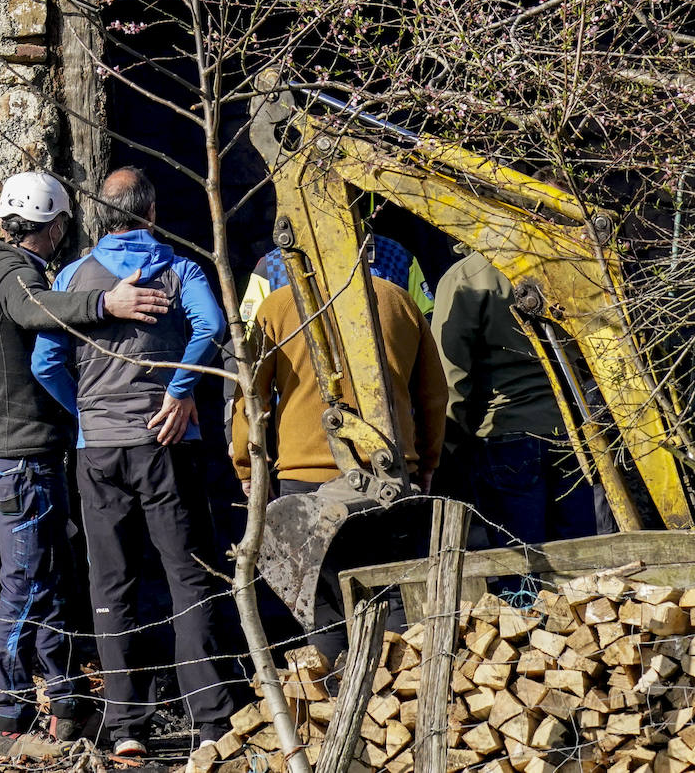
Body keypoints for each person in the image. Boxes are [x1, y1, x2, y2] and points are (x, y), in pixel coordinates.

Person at [0, 171, 171, 760]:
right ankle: (8, 719)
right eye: (63, 227)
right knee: (24, 586)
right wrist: (108, 301)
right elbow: (35, 311)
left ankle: (65, 703)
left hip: (17, 456)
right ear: (53, 226)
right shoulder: (13, 277)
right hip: (18, 460)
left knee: (47, 584)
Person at [32, 167, 240, 757]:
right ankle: (211, 722)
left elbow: (47, 363)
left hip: (98, 451)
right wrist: (179, 391)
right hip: (166, 444)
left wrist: (87, 415)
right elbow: (213, 325)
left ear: (99, 217)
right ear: (152, 214)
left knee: (112, 581)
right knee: (188, 575)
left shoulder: (74, 275)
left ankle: (125, 728)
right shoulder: (179, 270)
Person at [230, 279, 446, 663]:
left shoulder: (277, 307)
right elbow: (432, 393)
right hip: (391, 475)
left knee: (321, 602)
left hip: (306, 478)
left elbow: (251, 400)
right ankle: (398, 698)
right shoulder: (397, 300)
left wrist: (247, 468)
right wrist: (427, 460)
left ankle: (335, 697)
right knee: (393, 594)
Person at [431, 251, 601, 557]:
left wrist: (450, 447)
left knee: (520, 569)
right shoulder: (559, 259)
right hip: (572, 433)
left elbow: (450, 377)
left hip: (505, 436)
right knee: (579, 563)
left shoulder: (467, 276)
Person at [238, 235, 434, 328]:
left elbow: (427, 323)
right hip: (299, 401)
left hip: (393, 395)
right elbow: (247, 341)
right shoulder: (272, 268)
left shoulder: (397, 258)